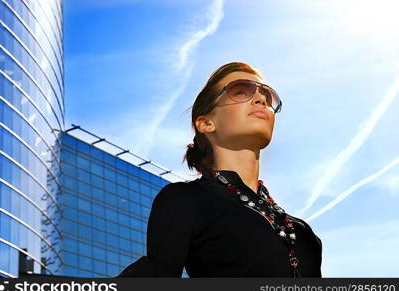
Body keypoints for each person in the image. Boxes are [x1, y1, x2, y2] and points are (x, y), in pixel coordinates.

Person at [115, 61, 322, 278]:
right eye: (241, 91)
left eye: (267, 97)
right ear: (206, 123)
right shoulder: (185, 200)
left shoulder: (303, 232)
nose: (262, 100)